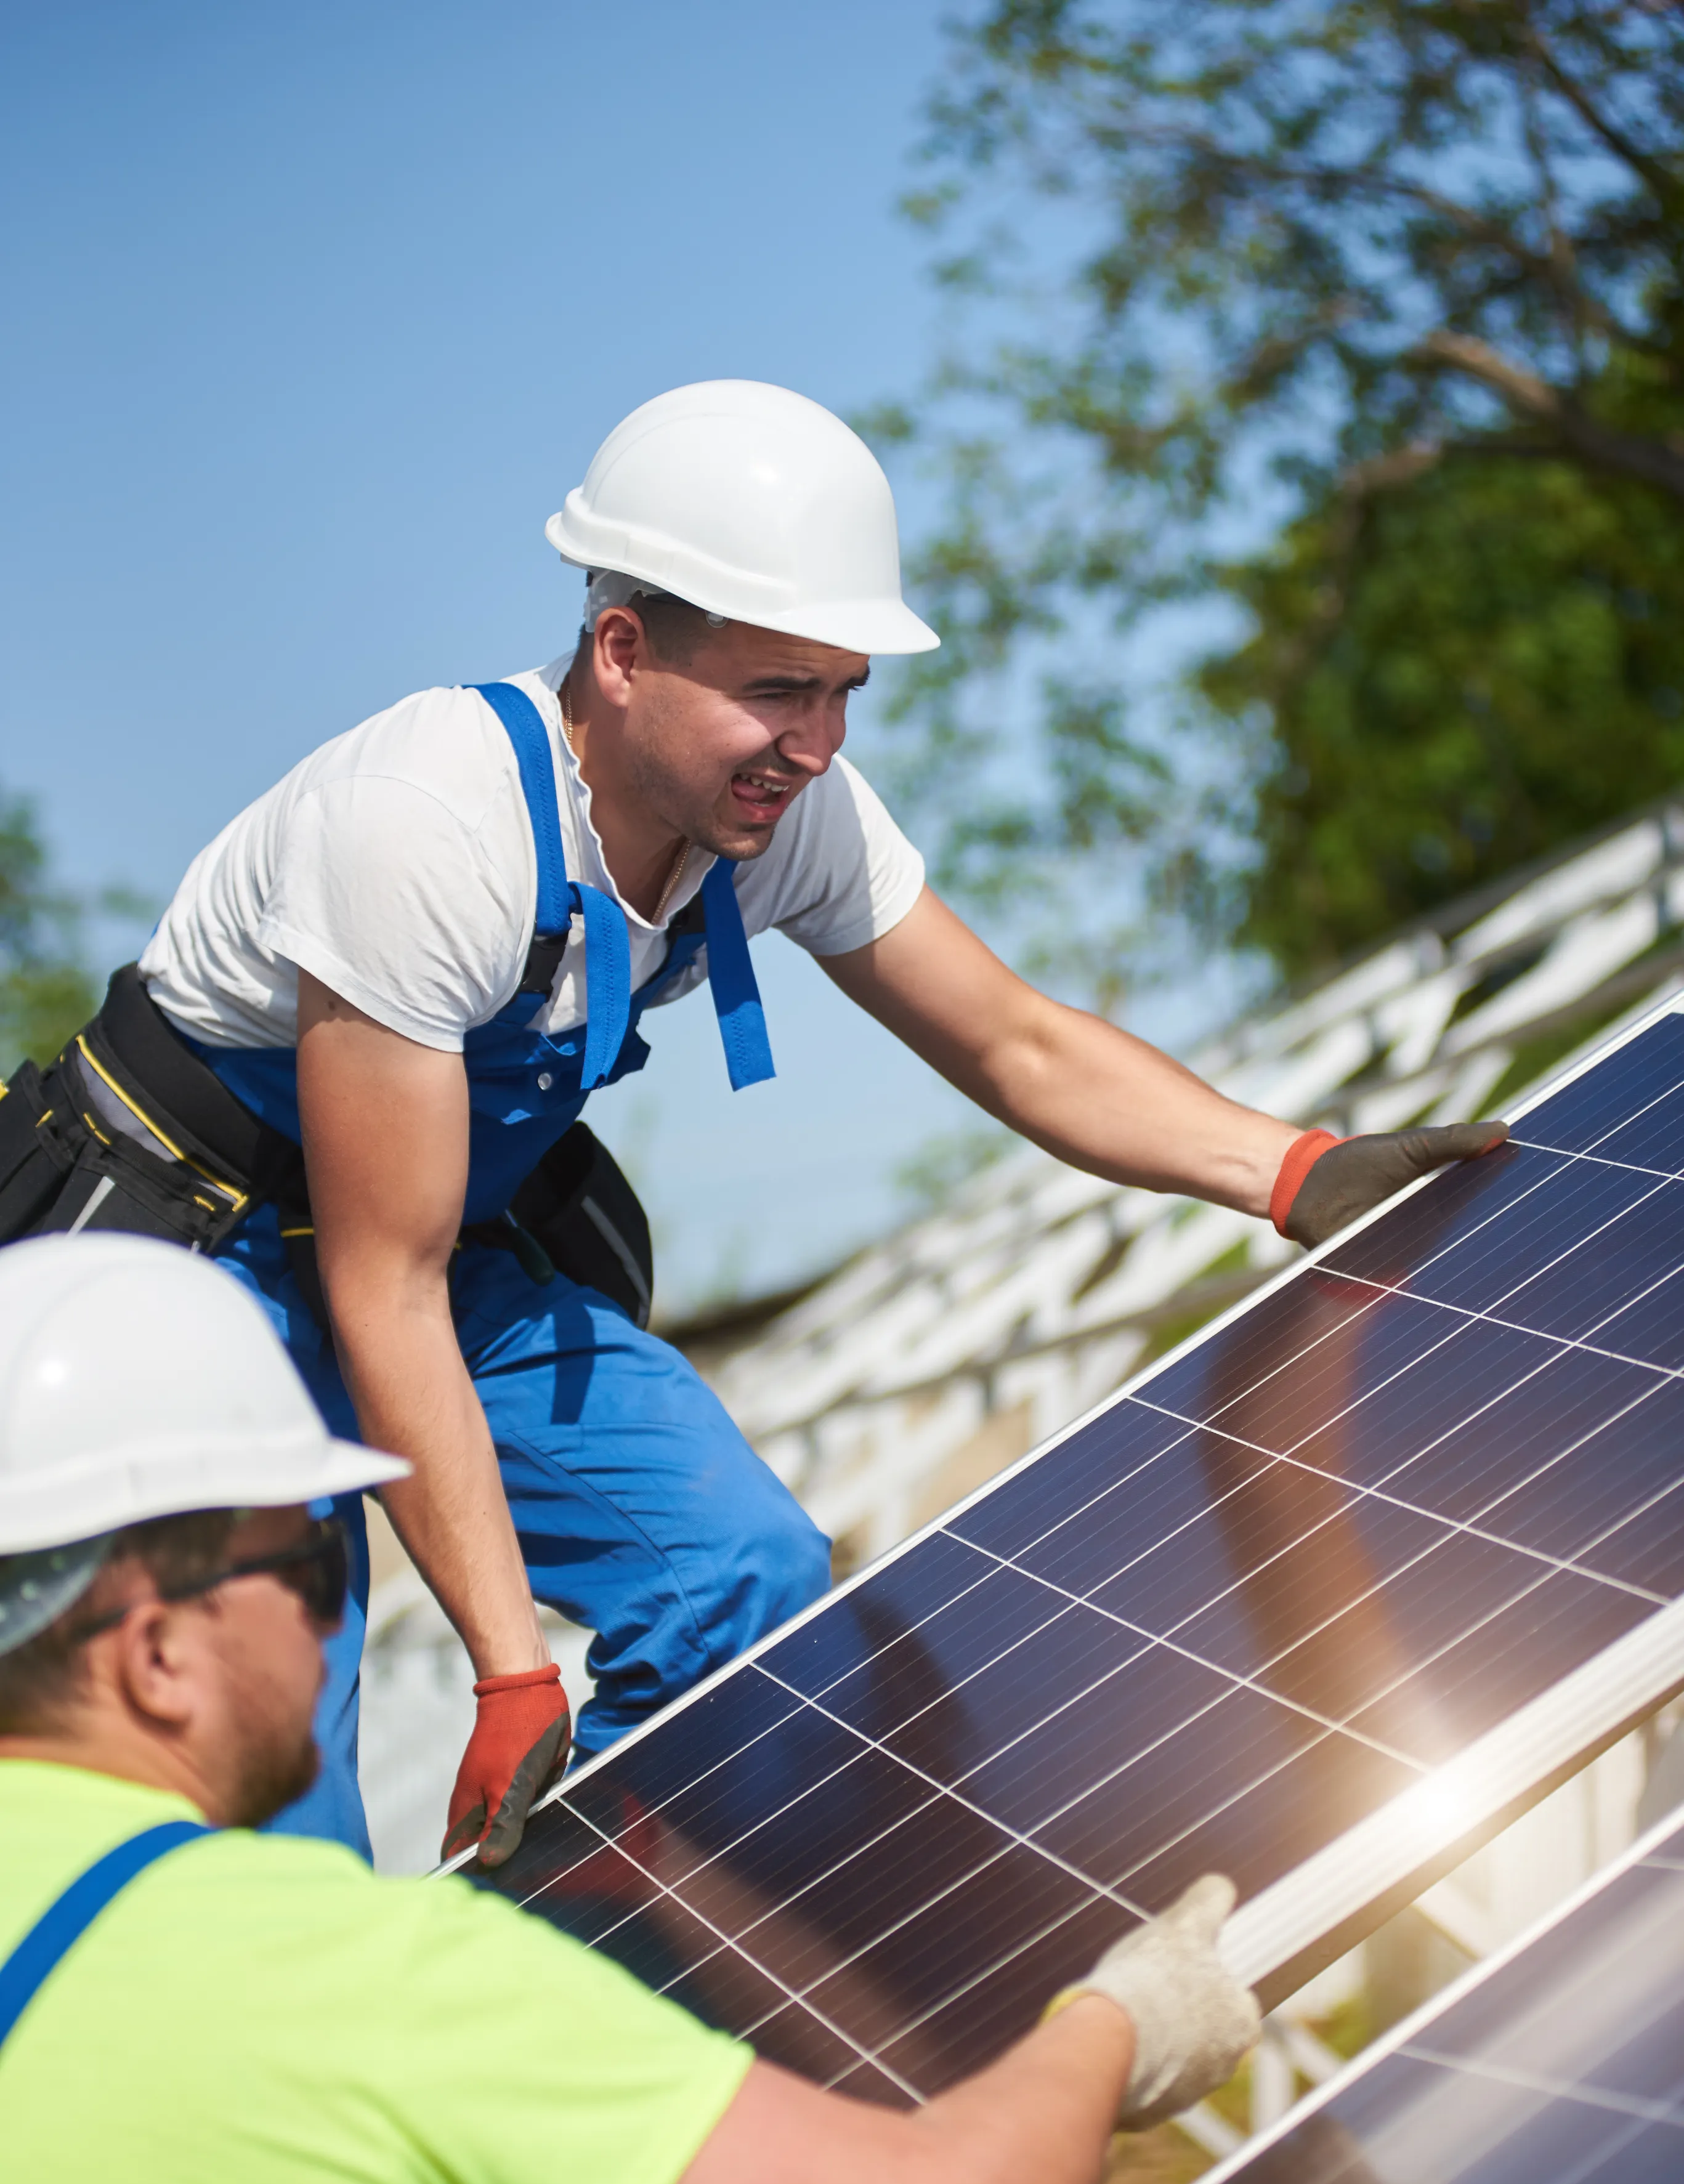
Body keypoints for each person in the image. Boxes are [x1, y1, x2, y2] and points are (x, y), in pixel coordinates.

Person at [0, 379, 1505, 1865]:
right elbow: (374, 1290)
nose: (818, 739)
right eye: (779, 689)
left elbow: (1018, 1043)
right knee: (258, 1756)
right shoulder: (433, 823)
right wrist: (511, 1666)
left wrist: (1293, 1168)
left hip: (420, 1247)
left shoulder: (784, 822)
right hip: (182, 1265)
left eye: (845, 687)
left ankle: (589, 1973)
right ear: (621, 649)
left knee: (740, 1575)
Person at [0, 1234, 1260, 2184]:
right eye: (311, 1564)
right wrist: (1116, 2017)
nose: (336, 1619)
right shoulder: (349, 1978)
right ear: (155, 1652)